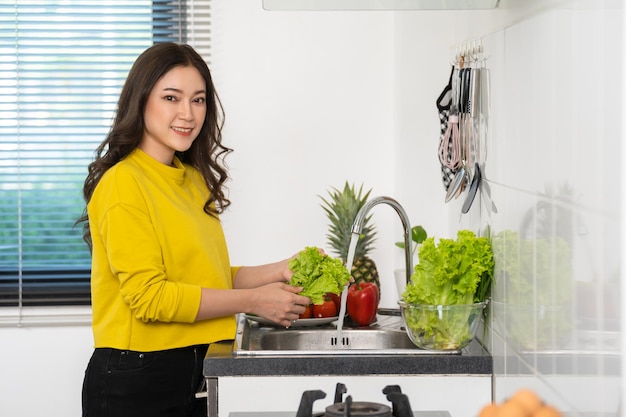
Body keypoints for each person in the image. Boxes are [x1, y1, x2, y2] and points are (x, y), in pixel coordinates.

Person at [76, 42, 311, 417]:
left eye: (198, 100)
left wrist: (280, 270)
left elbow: (205, 279)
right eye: (172, 97)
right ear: (141, 101)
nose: (187, 113)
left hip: (196, 369)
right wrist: (254, 301)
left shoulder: (193, 180)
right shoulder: (123, 183)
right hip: (137, 377)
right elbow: (150, 298)